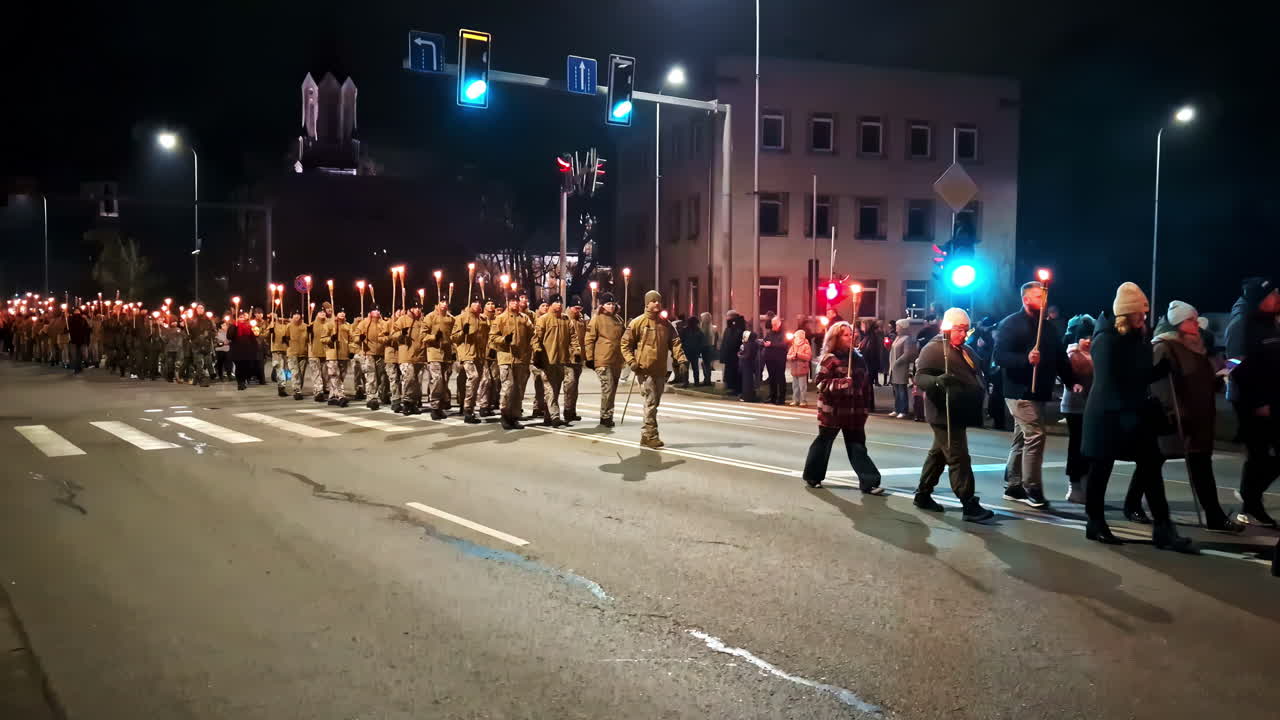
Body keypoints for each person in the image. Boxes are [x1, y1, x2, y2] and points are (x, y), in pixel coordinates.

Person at [1080, 282, 1194, 551]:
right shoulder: (1106, 339)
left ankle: (1163, 528)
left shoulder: (1137, 334)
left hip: (1132, 412)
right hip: (1109, 415)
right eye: (1138, 314)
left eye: (1145, 313)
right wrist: (1133, 403)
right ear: (1124, 314)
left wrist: (1159, 370)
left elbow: (1137, 374)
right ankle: (1095, 521)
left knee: (1151, 465)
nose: (1144, 318)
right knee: (1101, 469)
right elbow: (1111, 381)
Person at [1151, 301, 1244, 533]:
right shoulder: (1165, 346)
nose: (1196, 323)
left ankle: (1214, 515)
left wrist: (1218, 378)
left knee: (1198, 464)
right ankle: (1134, 504)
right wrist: (1173, 411)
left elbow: (1200, 377)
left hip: (1201, 415)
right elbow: (1159, 384)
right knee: (1154, 461)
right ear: (1179, 324)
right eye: (1191, 320)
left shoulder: (1197, 345)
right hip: (1179, 417)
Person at [994, 281, 1078, 509]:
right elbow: (1000, 356)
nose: (1044, 301)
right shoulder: (1010, 324)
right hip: (1019, 391)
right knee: (1036, 435)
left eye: (1044, 297)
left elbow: (1059, 357)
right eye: (1038, 297)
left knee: (1022, 438)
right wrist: (1025, 360)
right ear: (1026, 299)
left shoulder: (1048, 327)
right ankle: (1032, 487)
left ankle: (1013, 485)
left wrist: (1071, 381)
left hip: (1039, 391)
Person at [910, 308, 996, 522]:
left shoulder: (963, 348)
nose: (963, 334)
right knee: (958, 457)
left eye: (966, 330)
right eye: (959, 329)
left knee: (938, 455)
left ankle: (923, 494)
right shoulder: (934, 349)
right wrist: (937, 381)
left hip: (959, 411)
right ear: (947, 327)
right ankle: (968, 503)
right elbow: (920, 377)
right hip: (944, 413)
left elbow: (980, 368)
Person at [1224, 277, 1280, 528]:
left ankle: (1250, 498)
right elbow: (1234, 364)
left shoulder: (1270, 323)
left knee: (1266, 457)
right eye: (1273, 294)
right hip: (1251, 401)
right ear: (1260, 299)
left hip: (1272, 398)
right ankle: (1251, 502)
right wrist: (1258, 401)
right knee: (1258, 454)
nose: (1277, 297)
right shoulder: (1242, 324)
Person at [801, 321, 882, 492]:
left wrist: (866, 407)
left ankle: (869, 481)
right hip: (833, 411)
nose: (851, 337)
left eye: (852, 334)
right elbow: (820, 384)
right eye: (846, 335)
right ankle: (813, 476)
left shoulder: (858, 358)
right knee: (823, 443)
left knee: (858, 446)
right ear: (836, 338)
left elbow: (865, 385)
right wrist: (840, 384)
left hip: (854, 412)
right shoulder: (829, 359)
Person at [620, 290, 688, 448]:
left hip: (660, 370)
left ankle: (646, 434)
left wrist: (682, 360)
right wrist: (632, 362)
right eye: (653, 301)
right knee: (651, 402)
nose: (657, 303)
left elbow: (675, 343)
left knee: (654, 402)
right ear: (647, 303)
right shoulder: (638, 323)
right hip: (645, 370)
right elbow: (625, 344)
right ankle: (650, 435)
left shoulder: (665, 325)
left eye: (659, 301)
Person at [1060, 314, 1095, 504]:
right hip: (1074, 406)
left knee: (1088, 446)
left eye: (1091, 336)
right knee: (1077, 446)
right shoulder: (1072, 355)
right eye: (1084, 337)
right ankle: (1075, 486)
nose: (1088, 341)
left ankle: (1086, 483)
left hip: (1091, 406)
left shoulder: (1096, 353)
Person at [531, 295, 579, 427]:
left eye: (560, 302)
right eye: (556, 302)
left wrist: (576, 351)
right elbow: (536, 339)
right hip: (547, 360)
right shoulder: (543, 319)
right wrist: (538, 352)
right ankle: (555, 416)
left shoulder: (565, 319)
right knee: (550, 389)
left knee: (556, 390)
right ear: (551, 304)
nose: (558, 304)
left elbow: (573, 337)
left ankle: (548, 416)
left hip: (561, 360)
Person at [490, 296, 535, 430]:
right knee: (508, 387)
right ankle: (505, 414)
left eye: (516, 301)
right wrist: (504, 339)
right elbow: (492, 337)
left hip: (521, 358)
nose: (514, 303)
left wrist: (531, 350)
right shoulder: (501, 318)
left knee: (518, 389)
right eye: (512, 301)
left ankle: (515, 416)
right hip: (506, 357)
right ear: (507, 303)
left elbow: (533, 335)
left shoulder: (524, 318)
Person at [586, 293, 625, 427]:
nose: (611, 306)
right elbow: (589, 339)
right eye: (608, 304)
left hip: (616, 360)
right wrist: (589, 358)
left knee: (612, 389)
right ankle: (605, 416)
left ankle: (609, 414)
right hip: (603, 359)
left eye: (613, 304)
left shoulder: (618, 319)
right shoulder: (597, 319)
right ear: (602, 305)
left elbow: (624, 338)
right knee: (607, 387)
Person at [451, 299, 489, 424]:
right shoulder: (462, 318)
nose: (478, 305)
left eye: (479, 302)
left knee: (476, 382)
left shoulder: (483, 320)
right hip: (467, 353)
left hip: (479, 355)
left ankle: (469, 408)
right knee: (473, 377)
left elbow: (486, 337)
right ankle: (467, 409)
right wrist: (463, 332)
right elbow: (454, 337)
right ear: (470, 304)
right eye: (475, 302)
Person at [422, 300, 456, 420]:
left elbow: (453, 336)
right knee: (437, 379)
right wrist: (433, 337)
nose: (444, 304)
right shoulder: (429, 317)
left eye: (446, 302)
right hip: (434, 352)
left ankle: (441, 405)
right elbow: (422, 335)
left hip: (446, 354)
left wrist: (454, 351)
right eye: (441, 301)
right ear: (437, 304)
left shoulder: (451, 319)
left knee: (444, 381)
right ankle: (435, 407)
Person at [355, 309, 387, 411]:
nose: (376, 312)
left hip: (381, 354)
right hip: (368, 353)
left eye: (378, 310)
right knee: (371, 376)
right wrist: (360, 338)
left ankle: (376, 393)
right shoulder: (364, 323)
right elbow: (355, 337)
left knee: (378, 376)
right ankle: (371, 398)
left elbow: (387, 335)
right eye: (374, 310)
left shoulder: (383, 324)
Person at [888, 319, 918, 418]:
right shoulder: (898, 337)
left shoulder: (907, 339)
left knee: (901, 390)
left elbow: (907, 354)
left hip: (901, 368)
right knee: (895, 389)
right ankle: (896, 409)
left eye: (898, 326)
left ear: (903, 327)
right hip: (894, 367)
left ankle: (903, 410)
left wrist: (897, 362)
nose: (896, 328)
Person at [563, 297, 587, 422]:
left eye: (580, 308)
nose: (578, 310)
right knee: (570, 384)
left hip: (579, 358)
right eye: (576, 308)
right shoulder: (565, 319)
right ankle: (567, 410)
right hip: (568, 358)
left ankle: (572, 410)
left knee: (575, 385)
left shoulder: (582, 320)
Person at [322, 311, 352, 406]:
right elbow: (322, 339)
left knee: (341, 376)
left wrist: (351, 350)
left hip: (344, 354)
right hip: (332, 354)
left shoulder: (348, 326)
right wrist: (331, 339)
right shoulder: (329, 325)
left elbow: (351, 340)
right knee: (334, 375)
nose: (342, 314)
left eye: (344, 312)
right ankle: (341, 395)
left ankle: (332, 396)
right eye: (340, 312)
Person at [228, 311, 259, 391]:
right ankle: (240, 382)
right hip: (237, 351)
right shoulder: (233, 326)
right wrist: (235, 327)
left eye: (243, 317)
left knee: (246, 367)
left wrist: (255, 347)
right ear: (237, 318)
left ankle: (244, 380)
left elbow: (253, 338)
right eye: (240, 317)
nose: (242, 319)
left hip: (247, 351)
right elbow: (229, 336)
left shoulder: (248, 326)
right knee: (239, 367)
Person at [283, 311, 309, 399]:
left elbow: (309, 339)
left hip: (303, 353)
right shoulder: (289, 326)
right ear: (292, 316)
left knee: (301, 373)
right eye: (295, 314)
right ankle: (296, 390)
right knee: (295, 373)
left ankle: (299, 389)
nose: (296, 316)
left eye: (298, 314)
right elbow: (285, 337)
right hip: (292, 353)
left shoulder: (305, 326)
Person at [762, 316, 788, 405]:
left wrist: (771, 344)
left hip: (779, 359)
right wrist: (764, 343)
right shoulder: (770, 333)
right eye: (772, 325)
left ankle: (781, 398)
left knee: (780, 378)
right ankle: (772, 397)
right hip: (770, 359)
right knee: (772, 378)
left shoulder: (783, 333)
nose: (773, 326)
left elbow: (783, 344)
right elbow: (765, 340)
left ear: (779, 323)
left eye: (775, 324)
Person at [719, 311, 745, 395]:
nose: (726, 318)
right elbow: (725, 341)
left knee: (735, 373)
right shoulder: (729, 328)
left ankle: (736, 389)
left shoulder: (738, 328)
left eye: (727, 317)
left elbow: (735, 341)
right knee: (730, 372)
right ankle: (732, 388)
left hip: (735, 355)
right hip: (729, 356)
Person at [786, 328, 812, 406]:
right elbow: (788, 356)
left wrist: (798, 355)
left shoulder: (806, 346)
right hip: (794, 369)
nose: (795, 338)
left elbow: (808, 357)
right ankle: (795, 400)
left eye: (797, 336)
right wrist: (792, 357)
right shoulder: (793, 346)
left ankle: (803, 400)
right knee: (795, 386)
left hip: (802, 369)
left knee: (802, 387)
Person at [678, 314, 705, 387]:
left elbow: (681, 340)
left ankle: (686, 382)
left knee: (688, 367)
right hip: (692, 352)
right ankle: (695, 382)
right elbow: (701, 341)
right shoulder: (698, 331)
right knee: (694, 368)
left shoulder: (686, 330)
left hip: (688, 351)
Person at [738, 329, 762, 403]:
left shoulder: (748, 344)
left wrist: (740, 355)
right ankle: (751, 396)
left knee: (746, 382)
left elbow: (747, 355)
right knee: (751, 381)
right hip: (753, 365)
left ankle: (746, 397)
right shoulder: (756, 344)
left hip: (747, 365)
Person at [67, 308, 90, 373]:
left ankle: (77, 367)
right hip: (80, 339)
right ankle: (78, 367)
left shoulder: (71, 319)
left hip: (74, 339)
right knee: (79, 354)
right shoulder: (82, 319)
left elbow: (68, 328)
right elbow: (87, 329)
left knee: (76, 354)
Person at [698, 311, 717, 386]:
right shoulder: (712, 327)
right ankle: (707, 379)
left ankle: (707, 380)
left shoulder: (703, 328)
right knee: (706, 364)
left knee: (706, 364)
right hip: (710, 347)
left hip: (706, 347)